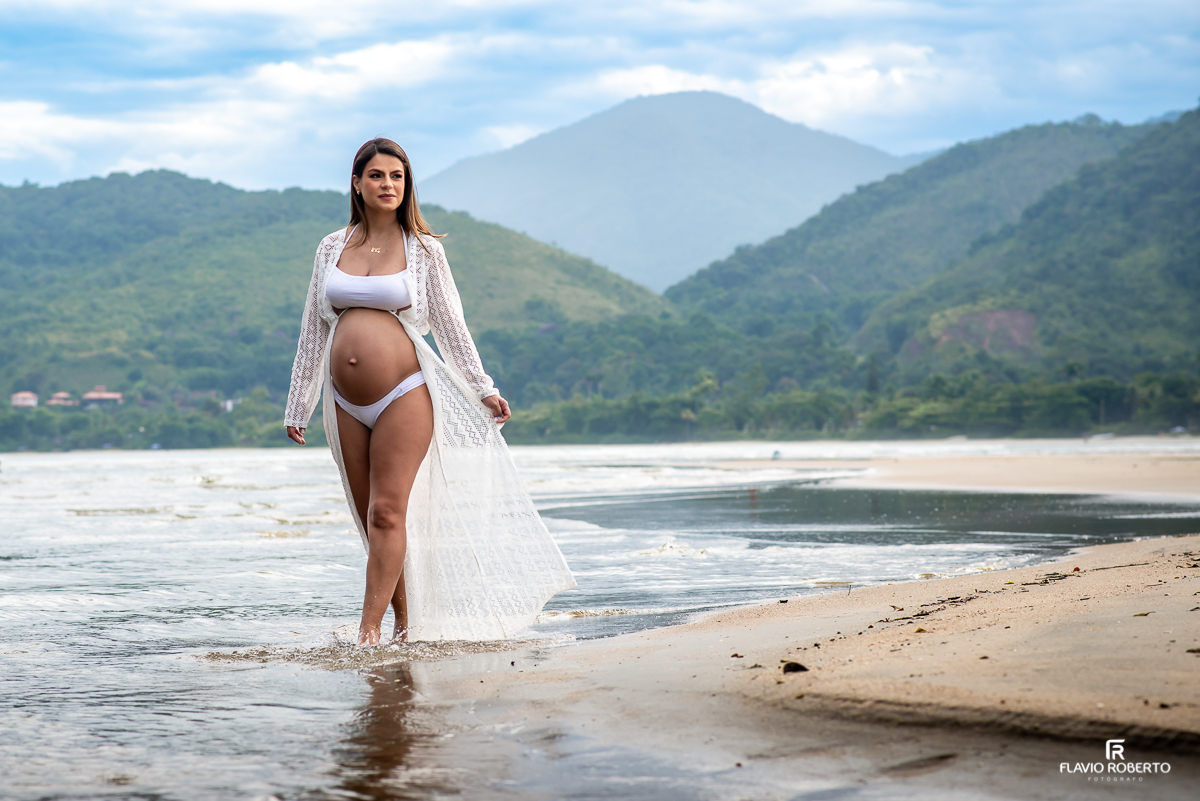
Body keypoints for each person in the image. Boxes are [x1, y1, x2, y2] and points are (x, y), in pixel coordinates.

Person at [284, 138, 574, 645]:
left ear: (407, 184)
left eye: (397, 176)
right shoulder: (331, 247)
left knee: (386, 511)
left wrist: (482, 388)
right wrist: (298, 403)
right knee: (371, 520)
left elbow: (450, 325)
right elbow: (313, 327)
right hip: (344, 402)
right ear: (357, 183)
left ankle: (367, 635)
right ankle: (403, 625)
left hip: (405, 392)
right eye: (377, 175)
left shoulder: (423, 250)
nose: (388, 184)